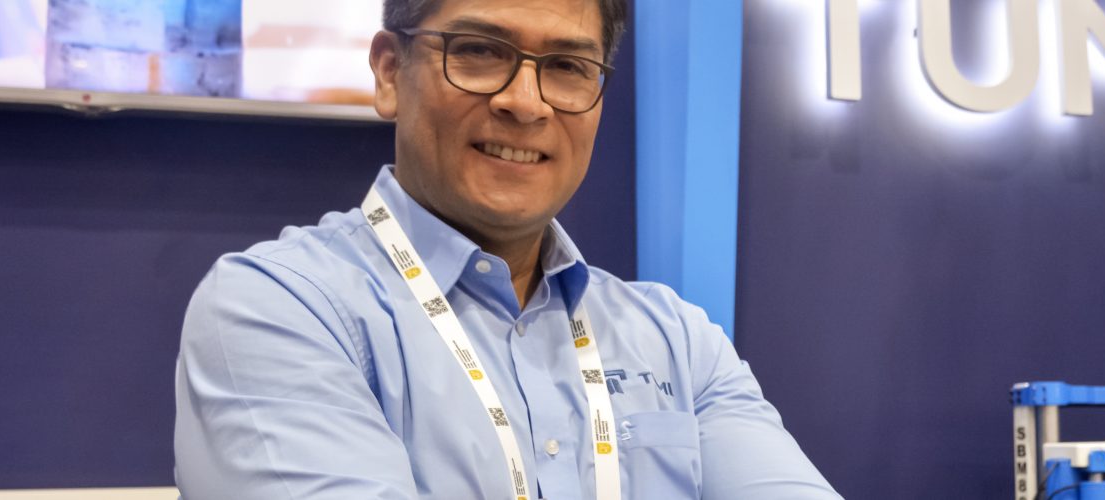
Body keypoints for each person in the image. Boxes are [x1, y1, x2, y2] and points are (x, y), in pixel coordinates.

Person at [172, 0, 841, 498]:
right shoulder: (279, 310)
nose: (526, 103)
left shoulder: (678, 343)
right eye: (480, 51)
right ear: (389, 72)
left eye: (568, 67)